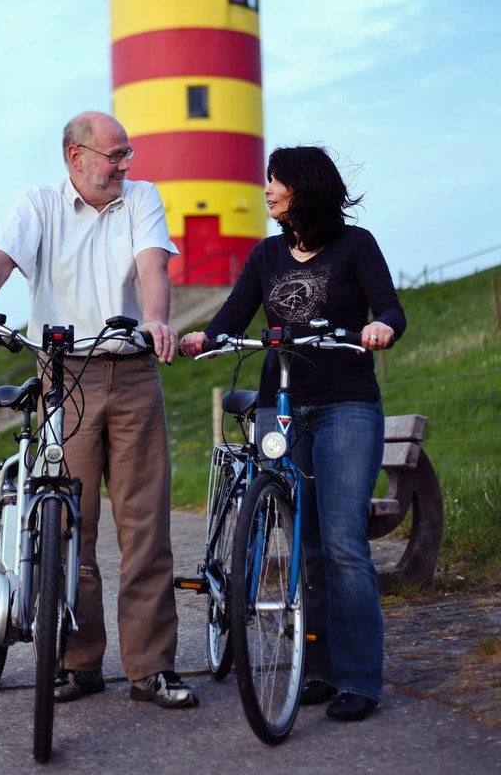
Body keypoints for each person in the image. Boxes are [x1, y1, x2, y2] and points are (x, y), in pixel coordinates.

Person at [0, 111, 198, 710]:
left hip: (133, 372)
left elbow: (152, 264)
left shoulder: (142, 198)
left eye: (127, 153)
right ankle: (77, 663)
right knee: (66, 529)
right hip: (65, 377)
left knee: (145, 529)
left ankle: (150, 669)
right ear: (75, 157)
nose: (125, 164)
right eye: (114, 155)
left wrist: (157, 318)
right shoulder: (38, 205)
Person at [182, 145, 405, 722]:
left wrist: (378, 326)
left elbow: (390, 309)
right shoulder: (266, 254)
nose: (266, 191)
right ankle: (321, 668)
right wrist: (206, 339)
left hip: (345, 406)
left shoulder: (357, 246)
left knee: (342, 544)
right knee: (304, 545)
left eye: (273, 181)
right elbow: (234, 316)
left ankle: (359, 678)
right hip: (280, 407)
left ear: (301, 188)